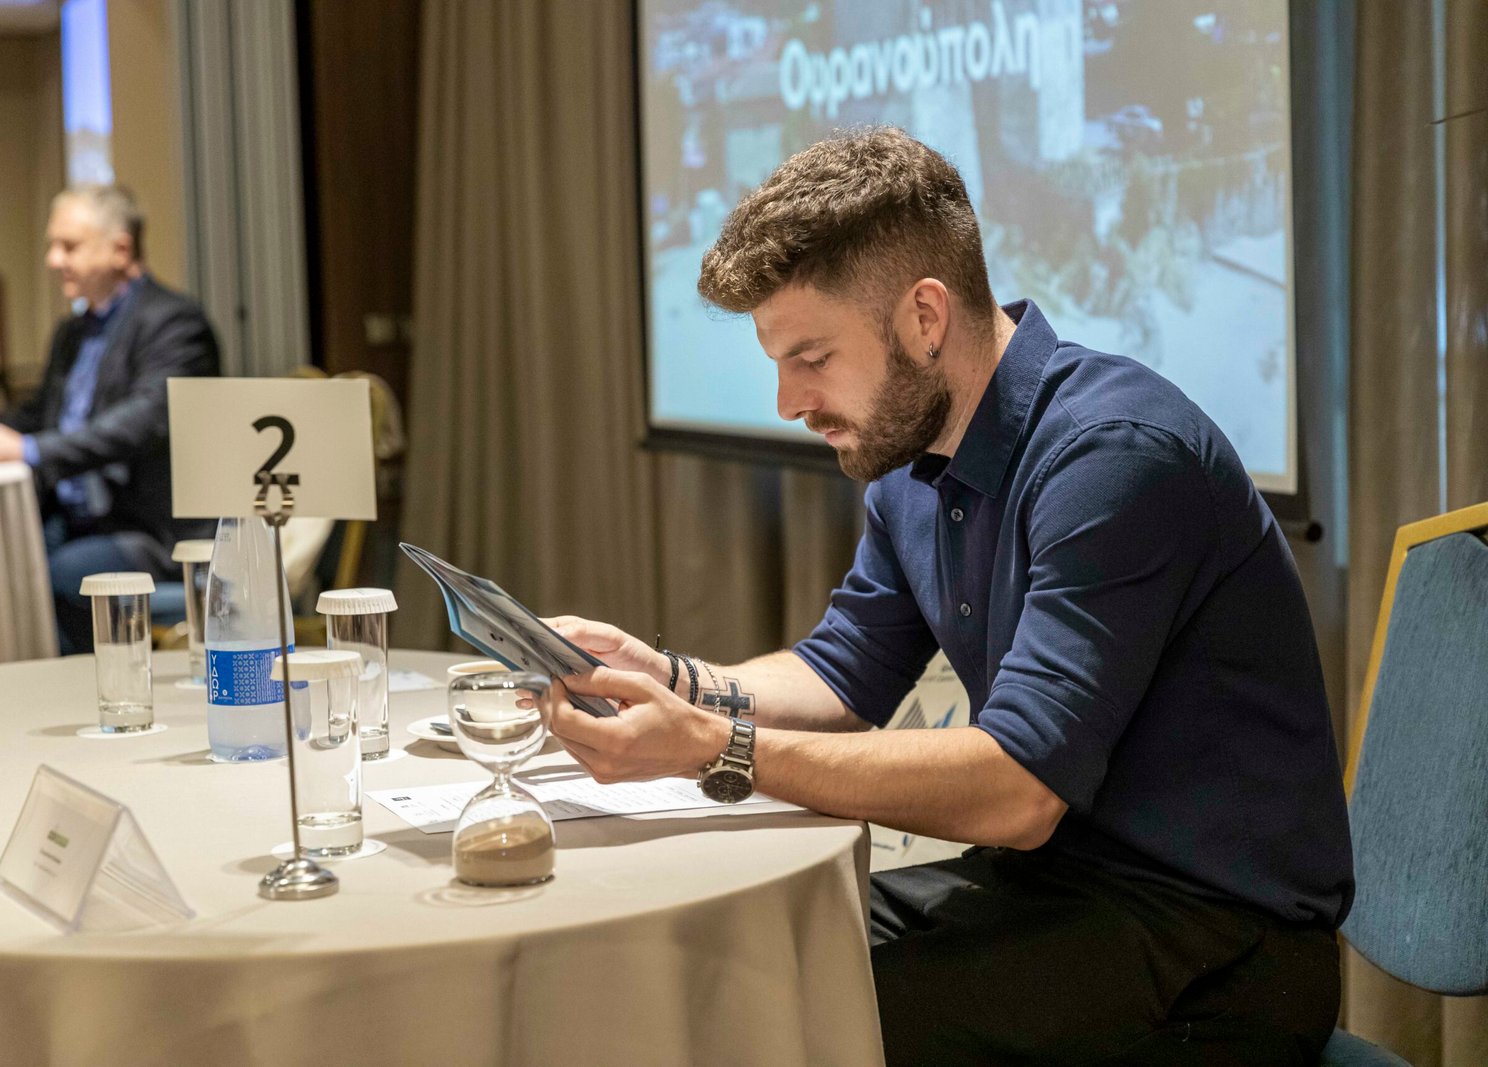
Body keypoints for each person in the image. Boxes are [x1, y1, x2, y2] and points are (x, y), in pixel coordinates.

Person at [540, 128, 1353, 1064]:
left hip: (1220, 944)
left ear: (926, 317)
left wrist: (714, 746)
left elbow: (1018, 789)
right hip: (1053, 890)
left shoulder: (1114, 458)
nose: (787, 403)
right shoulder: (912, 465)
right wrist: (672, 679)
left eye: (812, 356)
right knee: (721, 954)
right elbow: (841, 675)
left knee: (787, 1027)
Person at [0, 184, 220, 654]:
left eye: (69, 246)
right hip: (75, 515)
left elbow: (139, 424)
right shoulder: (73, 331)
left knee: (51, 575)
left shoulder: (174, 322)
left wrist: (32, 450)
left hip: (145, 529)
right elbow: (35, 416)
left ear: (120, 249)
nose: (53, 259)